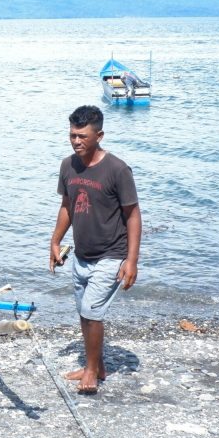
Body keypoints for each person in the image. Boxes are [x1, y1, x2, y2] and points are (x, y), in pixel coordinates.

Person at [49, 105, 141, 394]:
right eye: (72, 135)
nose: (76, 141)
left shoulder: (117, 169)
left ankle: (92, 372)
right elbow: (67, 206)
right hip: (81, 254)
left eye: (82, 136)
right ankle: (97, 364)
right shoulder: (68, 166)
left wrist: (132, 261)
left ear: (99, 135)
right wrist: (54, 241)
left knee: (92, 311)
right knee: (83, 311)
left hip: (112, 253)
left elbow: (133, 215)